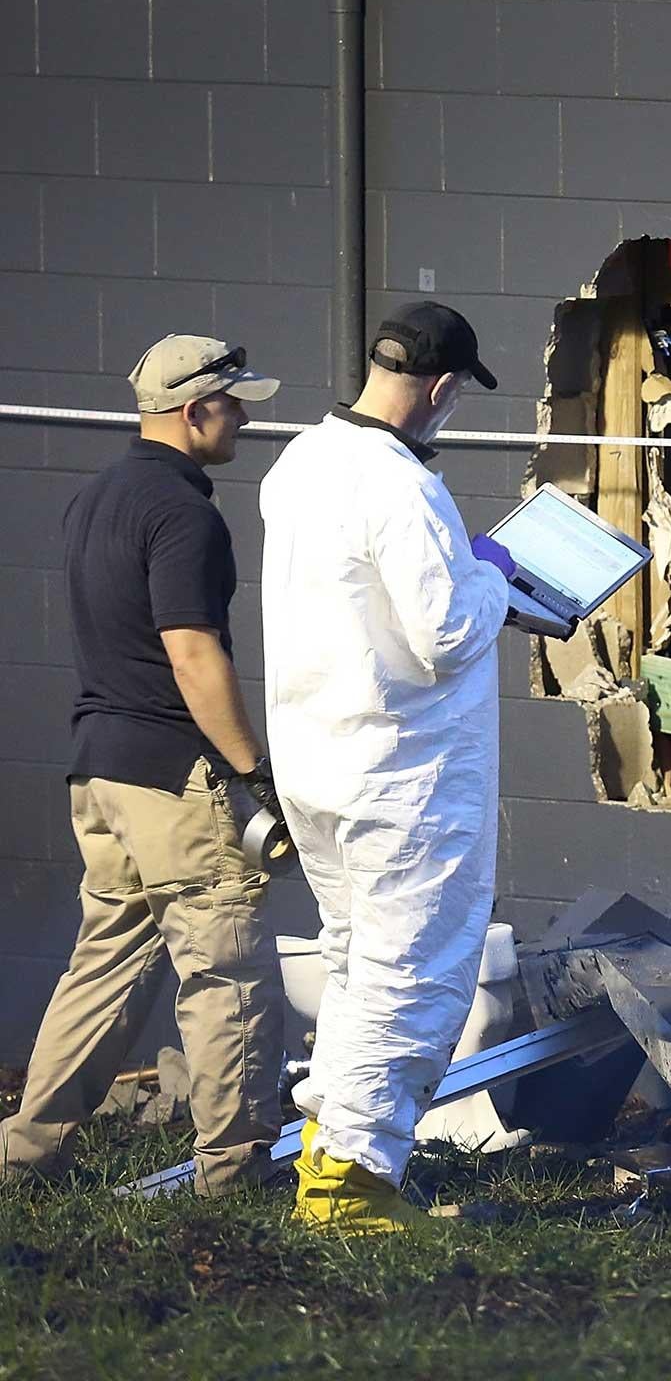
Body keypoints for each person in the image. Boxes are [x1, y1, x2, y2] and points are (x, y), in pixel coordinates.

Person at [0, 336, 288, 1192]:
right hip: (175, 776)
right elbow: (192, 650)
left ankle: (24, 1157)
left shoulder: (94, 500)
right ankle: (235, 1176)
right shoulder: (184, 512)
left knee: (105, 965)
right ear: (194, 411)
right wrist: (251, 771)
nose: (243, 416)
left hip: (102, 775)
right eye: (233, 402)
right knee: (225, 968)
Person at [260, 302, 516, 1233]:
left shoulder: (301, 461)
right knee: (412, 972)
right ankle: (352, 1186)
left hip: (318, 764)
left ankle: (329, 1153)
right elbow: (447, 632)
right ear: (443, 388)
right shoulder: (404, 487)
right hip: (404, 777)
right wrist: (494, 575)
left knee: (357, 964)